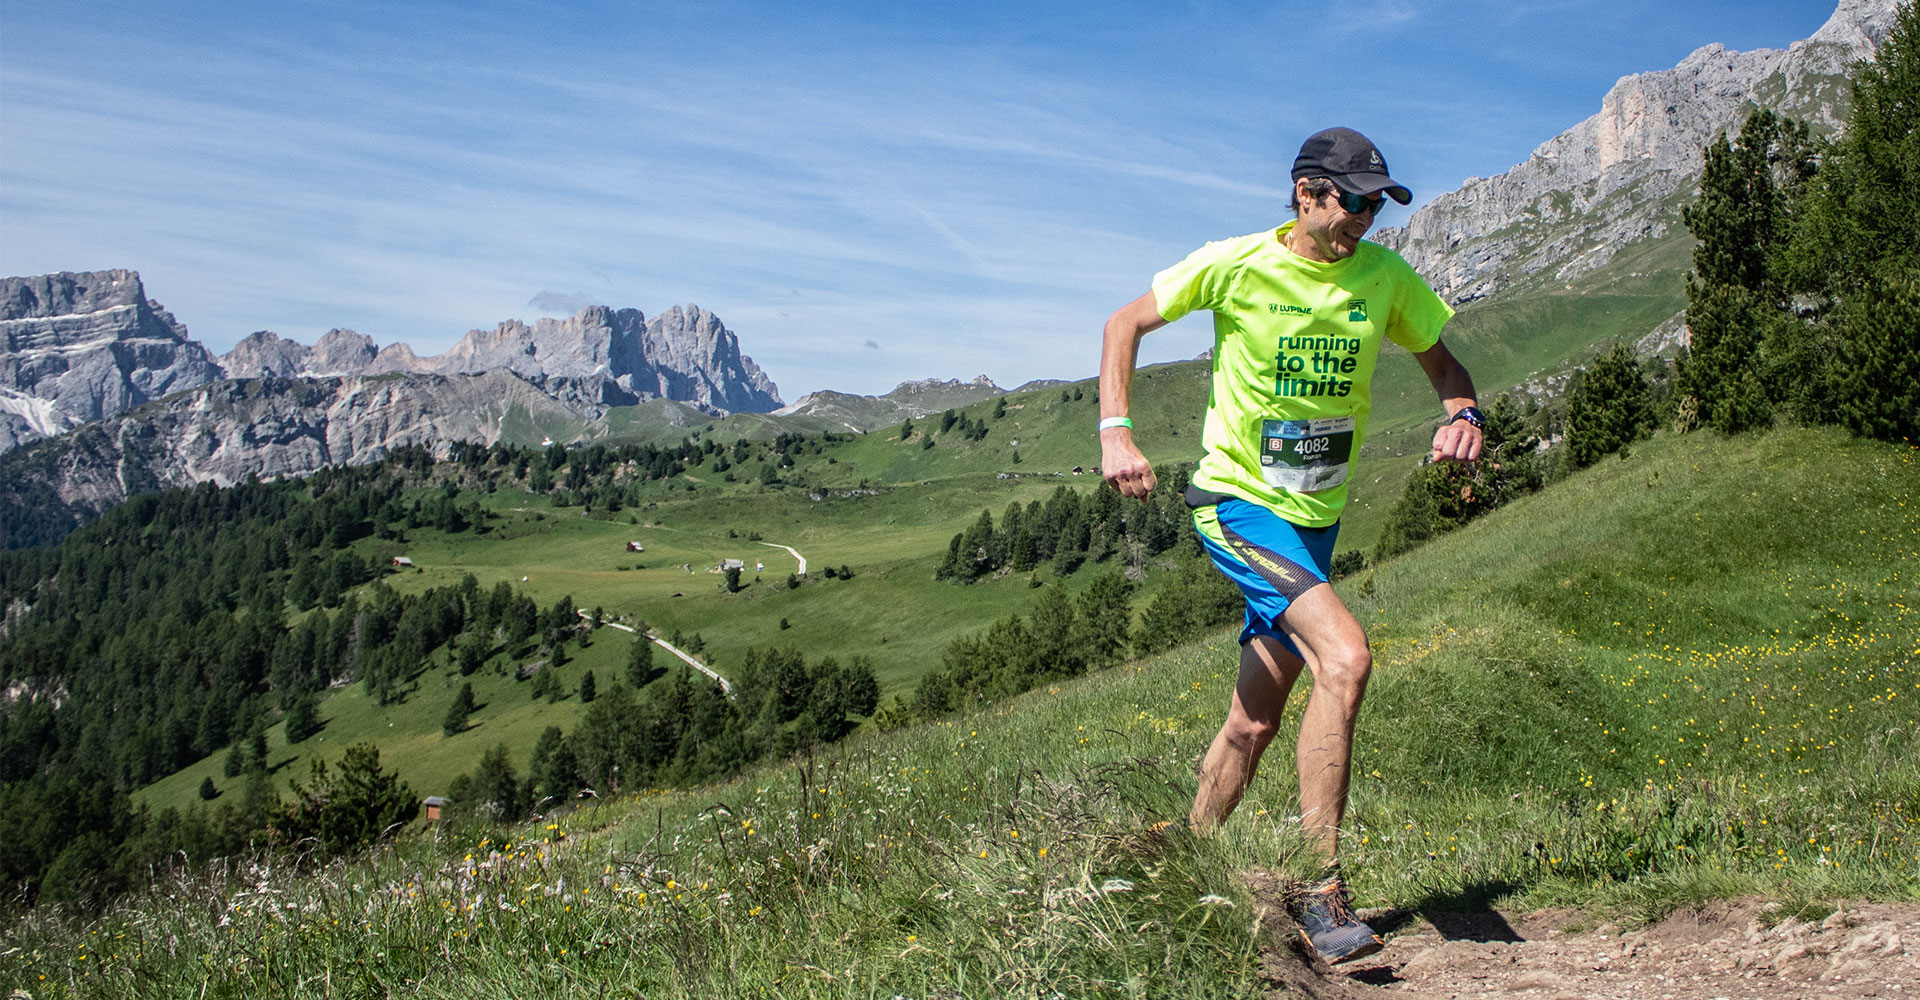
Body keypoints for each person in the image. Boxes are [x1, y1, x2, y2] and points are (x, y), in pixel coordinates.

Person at [1098, 126, 1484, 964]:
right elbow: (1125, 322)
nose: (1365, 220)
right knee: (1344, 659)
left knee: (1253, 721)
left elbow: (1446, 366)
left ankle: (1184, 862)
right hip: (1237, 502)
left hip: (1316, 521)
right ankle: (1321, 887)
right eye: (1352, 201)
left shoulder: (1383, 278)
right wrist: (1116, 431)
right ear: (1306, 193)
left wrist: (1464, 415)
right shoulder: (1236, 263)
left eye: (1377, 205)